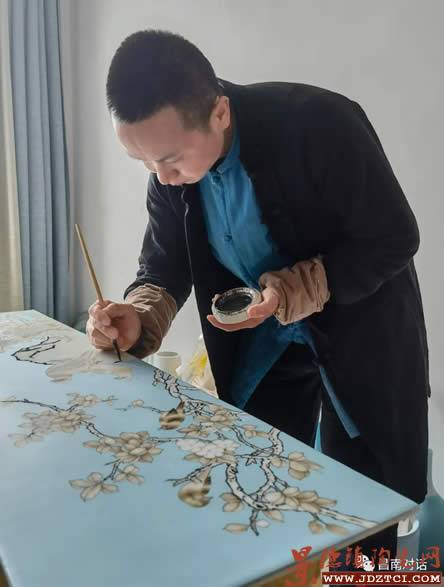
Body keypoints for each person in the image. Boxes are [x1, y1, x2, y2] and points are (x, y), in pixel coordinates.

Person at [86, 29, 430, 565]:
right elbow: (164, 265)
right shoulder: (168, 171)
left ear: (219, 113)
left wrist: (293, 289)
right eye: (144, 162)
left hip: (360, 328)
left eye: (170, 160)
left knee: (366, 507)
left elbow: (393, 237)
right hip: (266, 342)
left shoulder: (321, 124)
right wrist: (139, 316)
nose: (162, 178)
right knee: (259, 481)